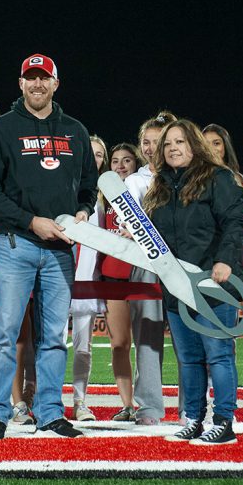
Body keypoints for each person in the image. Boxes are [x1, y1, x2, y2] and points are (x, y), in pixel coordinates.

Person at [0, 53, 98, 440]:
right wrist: (31, 221)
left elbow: (88, 187)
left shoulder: (75, 131)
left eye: (44, 78)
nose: (38, 84)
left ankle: (49, 412)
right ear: (21, 83)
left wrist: (82, 211)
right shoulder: (0, 129)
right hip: (15, 243)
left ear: (56, 84)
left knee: (53, 337)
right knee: (5, 332)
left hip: (61, 248)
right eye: (31, 78)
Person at [145, 120, 243, 445]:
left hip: (212, 283)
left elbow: (236, 221)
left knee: (217, 354)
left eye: (180, 141)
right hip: (176, 287)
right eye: (167, 144)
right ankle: (194, 419)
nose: (173, 148)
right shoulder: (159, 186)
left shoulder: (218, 178)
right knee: (188, 358)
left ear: (195, 145)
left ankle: (224, 421)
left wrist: (225, 260)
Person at [124, 110, 177, 427]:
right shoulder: (134, 180)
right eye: (145, 141)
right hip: (147, 265)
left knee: (190, 338)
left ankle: (193, 405)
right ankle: (149, 408)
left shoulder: (186, 176)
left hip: (183, 264)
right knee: (146, 336)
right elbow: (130, 223)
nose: (149, 147)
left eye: (156, 141)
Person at [68, 135, 108, 422]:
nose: (92, 159)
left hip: (87, 282)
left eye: (97, 154)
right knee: (51, 345)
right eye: (88, 153)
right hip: (58, 282)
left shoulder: (104, 202)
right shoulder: (63, 189)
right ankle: (42, 397)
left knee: (83, 347)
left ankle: (80, 402)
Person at [101, 142, 143, 421]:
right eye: (115, 160)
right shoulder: (102, 197)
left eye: (126, 160)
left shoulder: (145, 192)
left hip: (143, 274)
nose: (120, 165)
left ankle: (150, 403)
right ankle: (127, 404)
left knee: (148, 345)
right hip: (113, 274)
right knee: (120, 343)